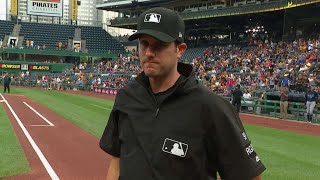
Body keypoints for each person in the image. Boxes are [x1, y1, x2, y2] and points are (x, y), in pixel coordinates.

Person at [99, 7, 265, 180]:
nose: (149, 53)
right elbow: (116, 164)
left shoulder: (211, 106)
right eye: (144, 44)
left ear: (180, 49)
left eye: (159, 45)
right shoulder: (126, 97)